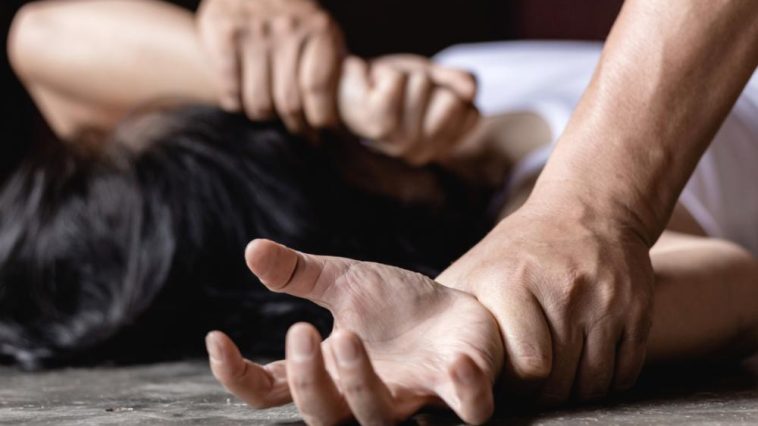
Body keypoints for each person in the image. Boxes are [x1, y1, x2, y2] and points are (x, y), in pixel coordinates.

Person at [5, 0, 758, 424]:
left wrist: (341, 91)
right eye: (297, 138)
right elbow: (730, 282)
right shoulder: (531, 217)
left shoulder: (425, 94)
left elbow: (40, 38)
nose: (292, 119)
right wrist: (493, 319)